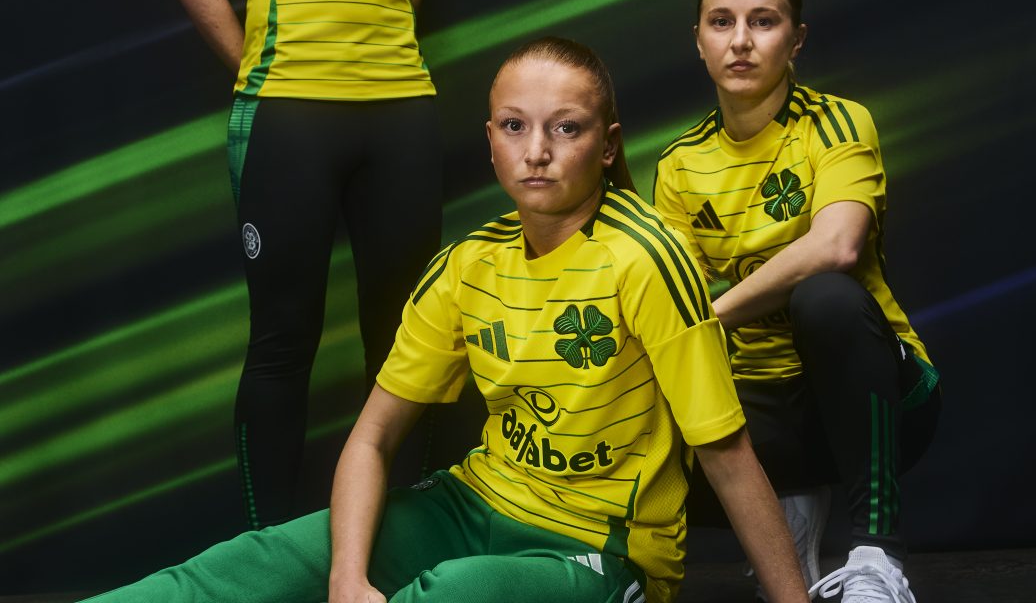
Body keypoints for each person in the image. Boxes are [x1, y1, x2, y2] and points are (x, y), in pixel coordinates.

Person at [81, 37, 810, 603]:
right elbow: (372, 438)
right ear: (490, 138)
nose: (537, 152)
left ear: (608, 143)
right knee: (254, 566)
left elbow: (727, 455)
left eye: (566, 128)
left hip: (597, 548)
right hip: (472, 504)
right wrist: (345, 578)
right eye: (515, 127)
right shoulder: (469, 264)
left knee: (450, 595)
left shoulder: (645, 259)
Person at [168, 0, 443, 527]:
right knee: (283, 341)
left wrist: (372, 40)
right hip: (288, 112)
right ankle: (266, 552)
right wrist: (258, 60)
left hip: (400, 109)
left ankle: (397, 544)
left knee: (407, 343)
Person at [653, 0, 941, 602]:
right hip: (759, 419)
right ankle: (782, 523)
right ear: (698, 41)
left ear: (797, 39)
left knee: (826, 297)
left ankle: (878, 559)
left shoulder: (837, 123)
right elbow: (675, 303)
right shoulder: (678, 165)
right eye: (721, 22)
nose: (741, 41)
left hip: (879, 403)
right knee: (640, 398)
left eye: (764, 21)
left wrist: (713, 316)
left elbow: (836, 246)